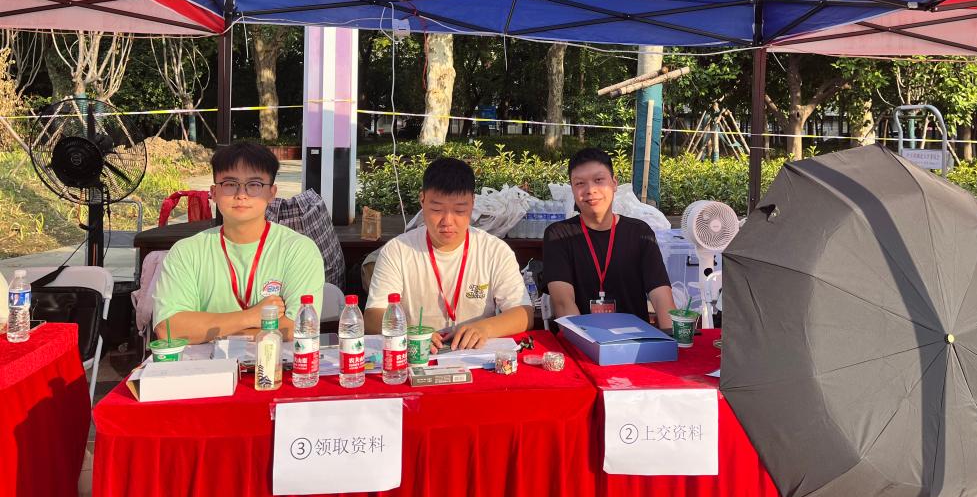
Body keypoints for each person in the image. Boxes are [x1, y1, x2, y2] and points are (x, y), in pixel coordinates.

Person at [153, 142, 325, 344]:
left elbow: (298, 328)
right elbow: (168, 330)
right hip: (204, 364)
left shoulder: (299, 250)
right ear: (214, 192)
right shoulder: (186, 252)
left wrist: (210, 333)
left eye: (254, 184)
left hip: (276, 361)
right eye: (230, 184)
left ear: (272, 193)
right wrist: (251, 316)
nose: (241, 194)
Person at [365, 157, 532, 350]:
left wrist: (484, 328)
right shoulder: (397, 251)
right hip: (416, 354)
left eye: (460, 210)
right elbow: (373, 317)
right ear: (422, 200)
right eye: (437, 209)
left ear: (473, 203)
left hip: (472, 354)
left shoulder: (495, 251)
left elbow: (524, 313)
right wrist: (408, 333)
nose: (447, 221)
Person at [544, 147, 674, 329]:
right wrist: (586, 342)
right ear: (572, 189)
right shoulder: (558, 235)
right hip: (582, 338)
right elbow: (563, 303)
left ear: (614, 183)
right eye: (580, 183)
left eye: (599, 180)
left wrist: (672, 338)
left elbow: (662, 297)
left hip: (636, 339)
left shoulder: (640, 232)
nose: (590, 190)